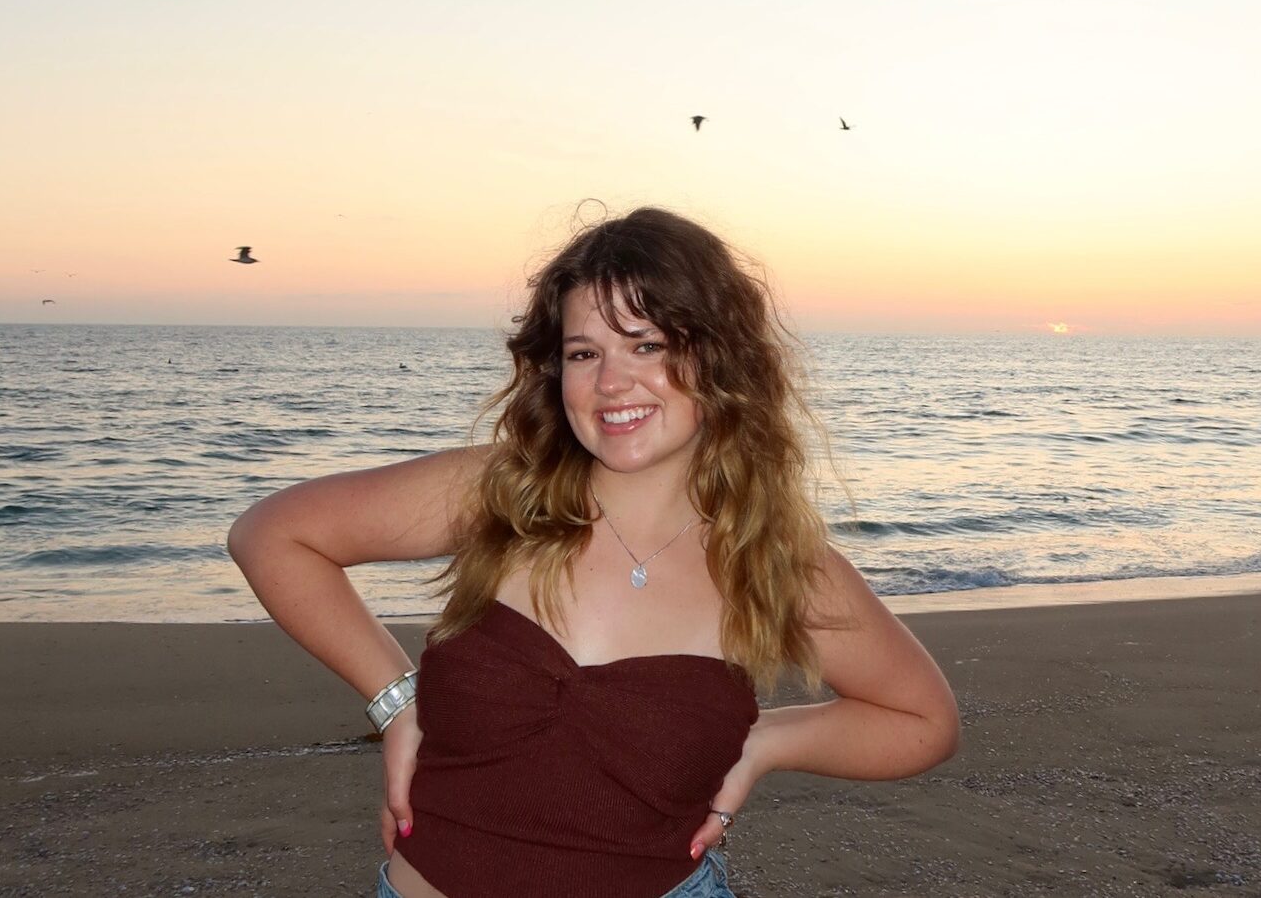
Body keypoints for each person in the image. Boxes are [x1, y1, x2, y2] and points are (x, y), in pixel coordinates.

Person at [228, 206, 959, 898]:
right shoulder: (499, 493)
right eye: (585, 352)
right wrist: (397, 702)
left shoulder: (771, 559)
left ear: (719, 359)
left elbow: (922, 721)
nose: (613, 383)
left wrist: (764, 742)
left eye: (648, 345)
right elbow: (273, 536)